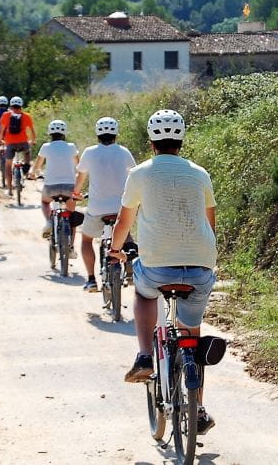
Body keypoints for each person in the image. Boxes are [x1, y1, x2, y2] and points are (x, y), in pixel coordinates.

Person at [110, 109, 218, 435]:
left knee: (143, 292)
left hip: (157, 265)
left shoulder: (140, 173)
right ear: (181, 140)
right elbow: (210, 222)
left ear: (151, 141)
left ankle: (145, 356)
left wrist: (115, 251)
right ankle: (197, 407)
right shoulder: (200, 173)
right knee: (191, 334)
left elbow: (123, 222)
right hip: (200, 265)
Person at [72, 117, 135, 292]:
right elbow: (134, 174)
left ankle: (91, 280)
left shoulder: (90, 152)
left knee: (86, 240)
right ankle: (130, 268)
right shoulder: (124, 152)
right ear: (116, 133)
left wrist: (76, 194)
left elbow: (80, 177)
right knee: (125, 231)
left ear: (97, 134)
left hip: (97, 208)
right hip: (121, 206)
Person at [29, 120, 79, 238]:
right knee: (72, 217)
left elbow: (37, 165)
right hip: (69, 187)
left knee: (45, 202)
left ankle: (48, 221)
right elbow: (79, 166)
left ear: (49, 133)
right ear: (65, 133)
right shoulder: (71, 147)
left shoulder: (46, 147)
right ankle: (70, 247)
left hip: (51, 187)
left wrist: (33, 174)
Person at [0, 96, 36, 196]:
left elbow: (1, 130)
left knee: (8, 165)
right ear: (21, 106)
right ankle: (26, 167)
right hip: (23, 142)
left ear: (11, 105)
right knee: (27, 152)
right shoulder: (27, 116)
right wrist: (32, 140)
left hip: (9, 143)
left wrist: (0, 141)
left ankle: (10, 189)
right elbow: (32, 131)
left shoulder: (6, 115)